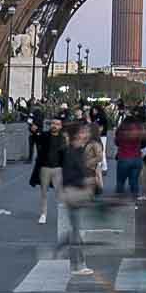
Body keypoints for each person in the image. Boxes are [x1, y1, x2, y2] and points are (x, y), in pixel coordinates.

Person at [56, 122, 95, 277]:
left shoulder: (76, 150)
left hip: (73, 193)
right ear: (77, 135)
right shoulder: (73, 152)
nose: (86, 134)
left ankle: (77, 263)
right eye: (83, 131)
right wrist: (86, 181)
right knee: (76, 231)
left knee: (76, 230)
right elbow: (70, 176)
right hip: (75, 194)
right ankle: (78, 264)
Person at [31, 116, 66, 223]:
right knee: (44, 193)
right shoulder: (44, 135)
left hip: (58, 169)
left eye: (56, 124)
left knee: (59, 193)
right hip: (44, 168)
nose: (54, 126)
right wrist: (34, 131)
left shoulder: (64, 138)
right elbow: (36, 138)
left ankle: (62, 215)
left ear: (60, 126)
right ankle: (43, 214)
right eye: (52, 123)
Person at [114, 107, 144, 197]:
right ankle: (135, 201)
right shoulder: (139, 129)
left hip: (124, 158)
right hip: (137, 159)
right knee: (134, 182)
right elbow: (143, 142)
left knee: (120, 182)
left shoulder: (121, 130)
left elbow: (117, 142)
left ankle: (119, 201)